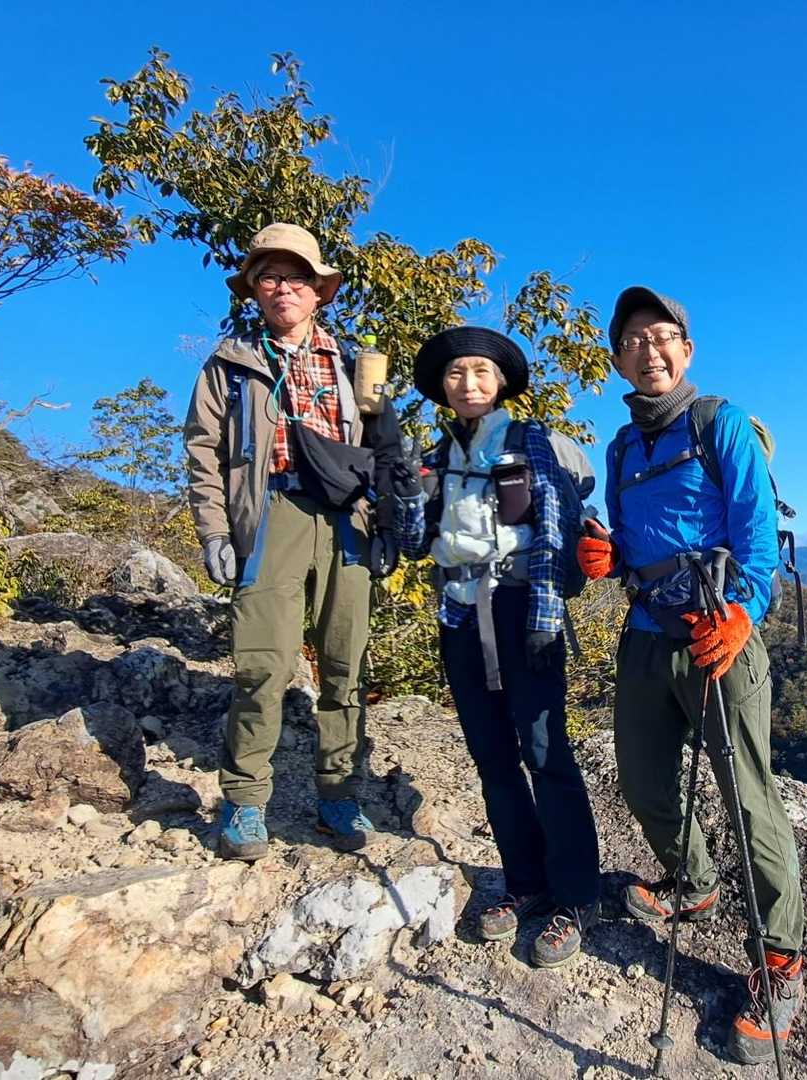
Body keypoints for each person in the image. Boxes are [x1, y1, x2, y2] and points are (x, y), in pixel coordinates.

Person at [576, 287, 807, 1063]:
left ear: (686, 349)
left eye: (662, 336)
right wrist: (608, 557)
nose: (650, 350)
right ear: (618, 360)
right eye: (634, 341)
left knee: (749, 800)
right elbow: (635, 544)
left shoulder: (720, 424)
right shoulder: (621, 448)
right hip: (647, 634)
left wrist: (743, 613)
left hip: (719, 635)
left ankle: (781, 961)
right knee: (643, 781)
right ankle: (693, 881)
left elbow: (756, 535)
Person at [395, 326, 603, 968]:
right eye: (456, 373)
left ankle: (576, 895)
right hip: (460, 614)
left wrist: (545, 616)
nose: (469, 383)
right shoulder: (434, 456)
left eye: (481, 371)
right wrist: (401, 483)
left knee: (544, 751)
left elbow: (554, 527)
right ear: (442, 387)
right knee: (491, 755)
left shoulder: (529, 442)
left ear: (502, 382)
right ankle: (524, 881)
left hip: (521, 607)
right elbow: (412, 543)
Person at [184, 222, 379, 859]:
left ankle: (339, 795)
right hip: (270, 514)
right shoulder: (230, 364)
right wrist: (215, 531)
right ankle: (244, 802)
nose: (283, 288)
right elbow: (203, 452)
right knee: (261, 664)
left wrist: (386, 524)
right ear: (254, 290)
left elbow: (382, 451)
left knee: (345, 665)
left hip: (347, 522)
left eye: (296, 277)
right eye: (269, 277)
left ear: (319, 290)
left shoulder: (355, 366)